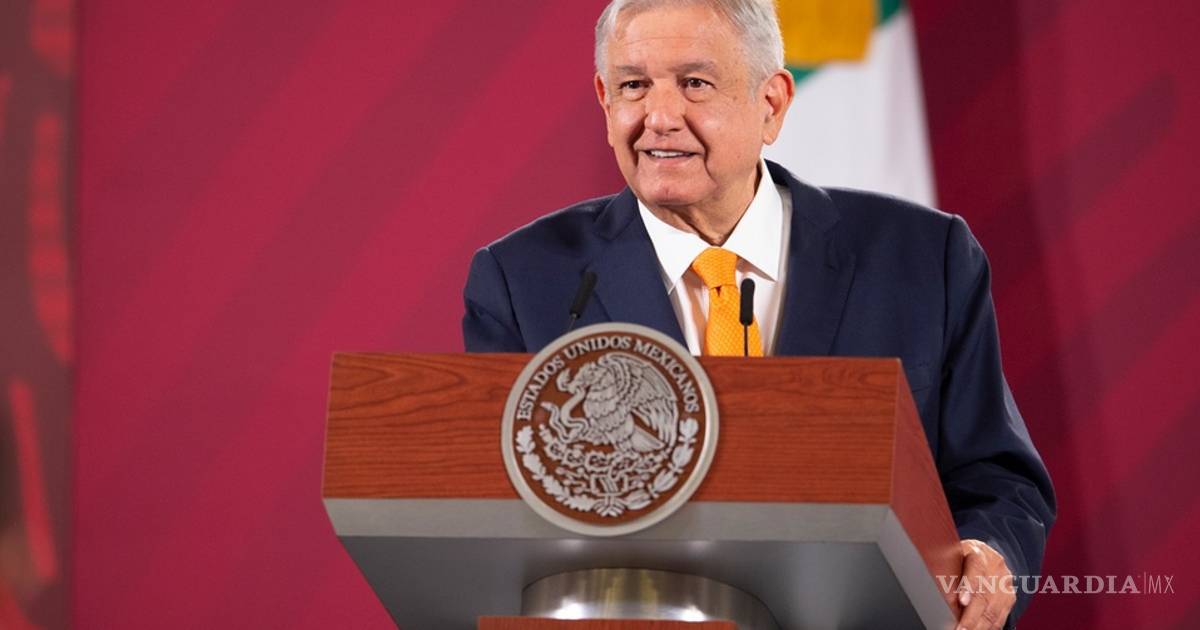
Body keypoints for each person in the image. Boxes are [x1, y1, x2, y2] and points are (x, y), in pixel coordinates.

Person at [462, 1, 1055, 628]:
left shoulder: (920, 258)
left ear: (771, 104)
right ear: (606, 103)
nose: (659, 117)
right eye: (634, 86)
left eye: (695, 83)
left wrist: (989, 552)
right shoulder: (525, 280)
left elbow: (997, 476)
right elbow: (499, 510)